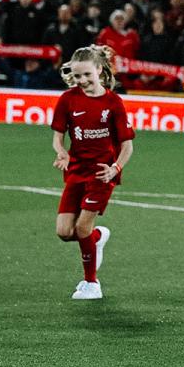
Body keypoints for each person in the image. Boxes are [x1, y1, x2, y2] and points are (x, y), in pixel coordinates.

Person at [50, 45, 135, 301]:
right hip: (76, 171)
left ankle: (91, 283)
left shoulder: (113, 103)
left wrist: (115, 168)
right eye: (77, 76)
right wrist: (62, 152)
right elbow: (57, 137)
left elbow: (128, 145)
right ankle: (97, 239)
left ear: (99, 70)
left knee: (82, 226)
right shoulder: (68, 99)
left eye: (87, 74)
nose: (82, 81)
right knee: (65, 232)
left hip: (101, 173)